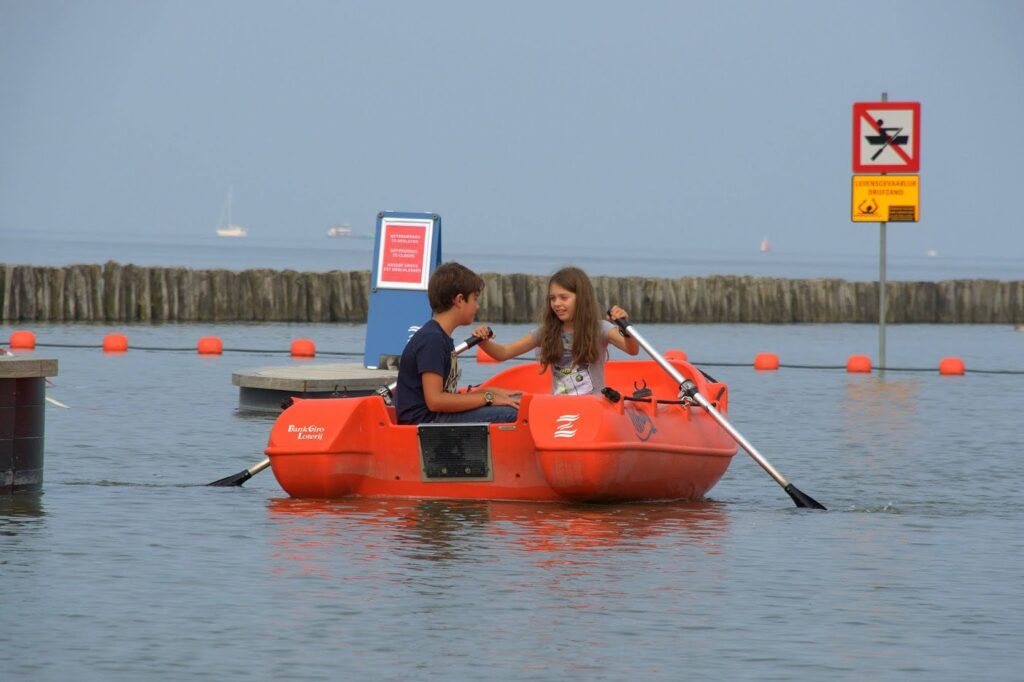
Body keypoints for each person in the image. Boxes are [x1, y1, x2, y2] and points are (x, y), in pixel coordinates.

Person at [474, 266, 640, 395]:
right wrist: (483, 341)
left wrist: (624, 328)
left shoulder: (600, 328)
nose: (557, 303)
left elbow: (632, 349)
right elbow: (503, 353)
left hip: (593, 406)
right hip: (559, 407)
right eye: (552, 298)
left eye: (564, 297)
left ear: (581, 298)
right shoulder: (546, 332)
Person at [395, 261, 519, 425]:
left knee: (514, 400)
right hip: (426, 423)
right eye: (475, 298)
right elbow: (435, 401)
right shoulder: (432, 340)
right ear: (460, 300)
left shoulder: (439, 337)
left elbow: (444, 396)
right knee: (512, 413)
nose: (477, 306)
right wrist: (487, 398)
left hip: (434, 417)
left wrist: (488, 392)